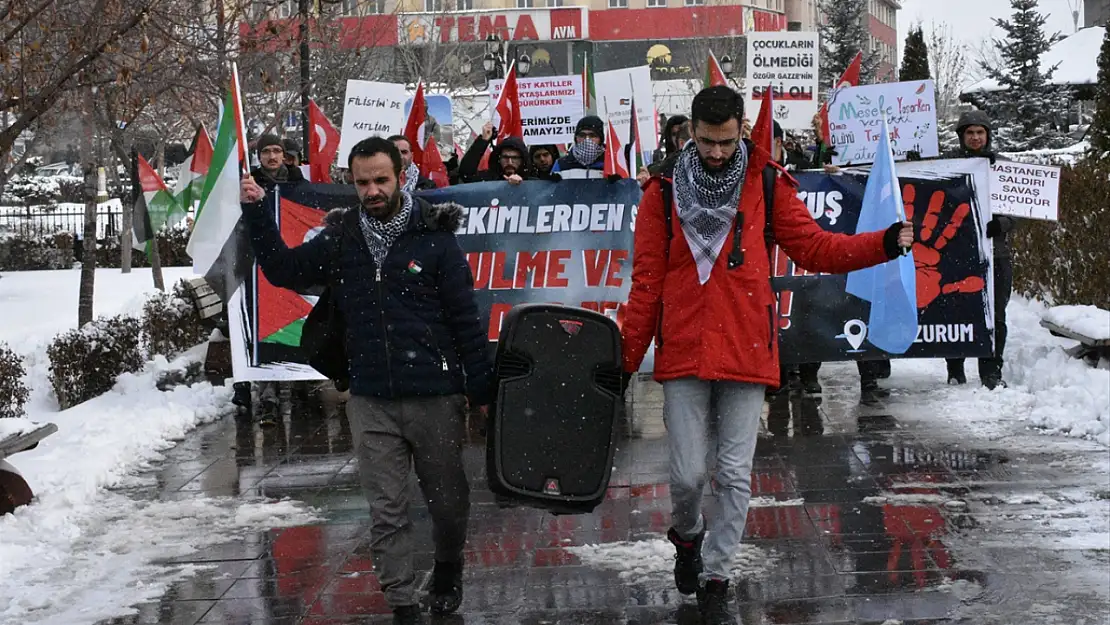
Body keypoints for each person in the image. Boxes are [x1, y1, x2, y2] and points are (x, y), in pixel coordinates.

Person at [619, 86, 914, 625]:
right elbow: (646, 282)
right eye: (706, 142)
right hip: (684, 345)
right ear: (690, 132)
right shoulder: (660, 192)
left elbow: (817, 247)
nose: (715, 153)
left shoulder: (768, 182)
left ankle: (717, 575)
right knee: (686, 476)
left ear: (742, 132)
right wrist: (623, 359)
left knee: (734, 473)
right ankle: (688, 537)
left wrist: (884, 242)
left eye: (726, 142)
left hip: (746, 345)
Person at [239, 136, 495, 625]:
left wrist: (480, 392)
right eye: (362, 183)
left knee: (448, 502)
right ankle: (401, 602)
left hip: (435, 396)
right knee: (386, 508)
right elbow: (284, 270)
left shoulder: (435, 238)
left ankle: (447, 567)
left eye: (381, 180)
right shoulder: (341, 238)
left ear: (401, 175)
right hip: (370, 396)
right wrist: (255, 212)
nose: (372, 191)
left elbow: (465, 318)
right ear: (351, 183)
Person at [941, 110, 1014, 390]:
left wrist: (1002, 223)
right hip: (955, 253)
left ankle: (991, 371)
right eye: (969, 132)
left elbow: (1020, 206)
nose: (975, 137)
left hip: (995, 254)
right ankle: (955, 368)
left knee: (995, 315)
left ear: (987, 135)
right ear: (961, 136)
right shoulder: (945, 164)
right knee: (954, 311)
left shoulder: (1002, 166)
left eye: (980, 132)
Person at [457, 122, 530, 185]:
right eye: (505, 157)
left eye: (515, 158)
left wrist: (522, 184)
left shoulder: (532, 180)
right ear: (499, 158)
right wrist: (483, 140)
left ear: (522, 160)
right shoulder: (489, 179)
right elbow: (466, 174)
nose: (510, 162)